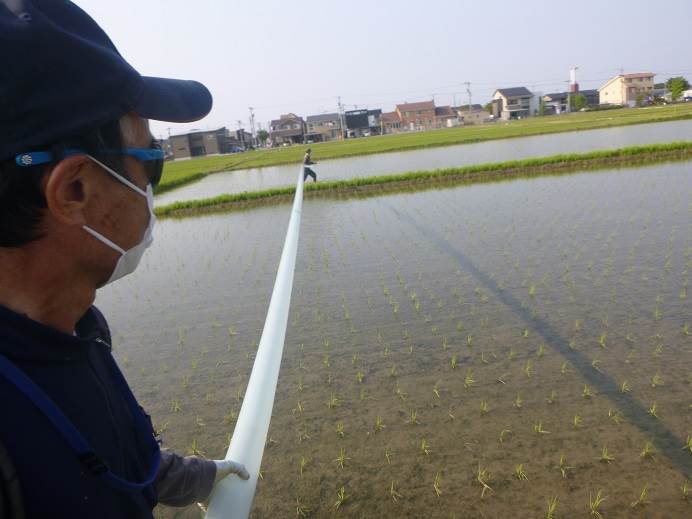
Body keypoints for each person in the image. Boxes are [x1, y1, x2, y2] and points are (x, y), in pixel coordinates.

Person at [0, 1, 248, 518]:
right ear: (74, 189)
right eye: (150, 161)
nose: (153, 185)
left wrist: (202, 476)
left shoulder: (75, 329)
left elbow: (108, 457)